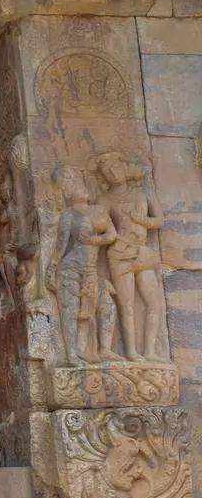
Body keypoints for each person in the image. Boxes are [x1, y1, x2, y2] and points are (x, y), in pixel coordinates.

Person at [47, 165, 122, 366]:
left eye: (81, 184)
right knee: (70, 312)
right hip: (69, 270)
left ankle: (104, 349)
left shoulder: (99, 211)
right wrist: (51, 270)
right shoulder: (68, 216)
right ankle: (72, 354)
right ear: (67, 194)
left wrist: (94, 241)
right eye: (74, 185)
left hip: (90, 270)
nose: (81, 188)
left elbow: (112, 234)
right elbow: (60, 247)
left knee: (107, 307)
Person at [95, 153, 166, 362]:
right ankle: (131, 351)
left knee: (154, 301)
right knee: (126, 304)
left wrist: (143, 220)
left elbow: (159, 220)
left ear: (125, 167)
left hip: (142, 251)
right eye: (107, 171)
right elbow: (101, 228)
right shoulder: (105, 199)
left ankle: (151, 350)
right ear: (103, 179)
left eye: (116, 167)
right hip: (119, 253)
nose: (113, 173)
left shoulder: (144, 191)